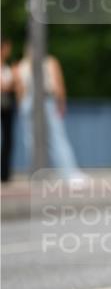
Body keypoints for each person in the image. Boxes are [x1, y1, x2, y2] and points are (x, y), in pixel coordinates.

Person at [15, 44, 88, 187]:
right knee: (57, 138)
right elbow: (58, 83)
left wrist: (21, 106)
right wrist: (61, 103)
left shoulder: (20, 66)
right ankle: (69, 173)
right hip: (45, 99)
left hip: (27, 102)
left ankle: (37, 174)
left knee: (31, 140)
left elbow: (20, 90)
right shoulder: (49, 62)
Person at [1, 36, 17, 182]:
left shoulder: (8, 67)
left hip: (7, 106)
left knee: (8, 139)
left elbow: (14, 87)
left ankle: (4, 173)